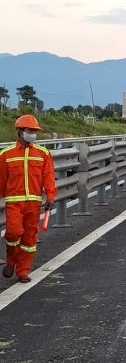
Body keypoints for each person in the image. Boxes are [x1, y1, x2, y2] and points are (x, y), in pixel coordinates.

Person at [0, 114, 57, 283]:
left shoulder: (43, 153)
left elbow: (48, 176)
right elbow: (1, 179)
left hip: (33, 202)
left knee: (29, 239)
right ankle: (11, 261)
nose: (32, 133)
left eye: (34, 130)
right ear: (19, 131)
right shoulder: (5, 154)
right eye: (29, 130)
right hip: (14, 202)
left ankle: (22, 271)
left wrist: (51, 195)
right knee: (13, 232)